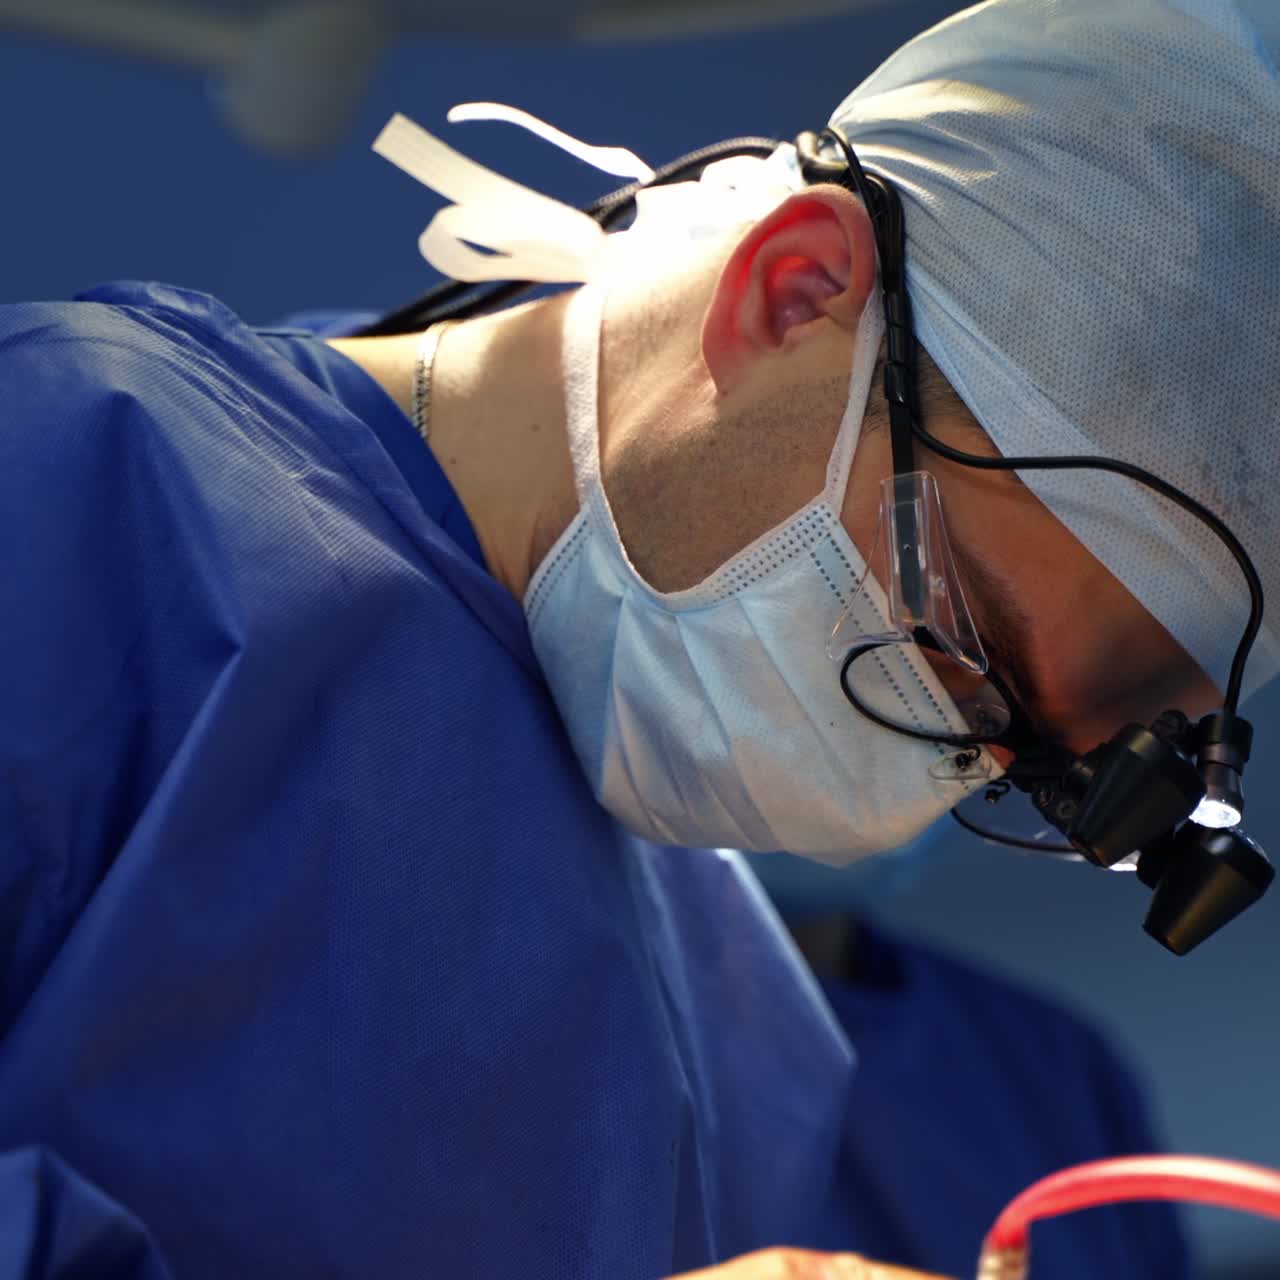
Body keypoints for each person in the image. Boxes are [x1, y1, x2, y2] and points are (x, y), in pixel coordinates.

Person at [0, 0, 1277, 1276]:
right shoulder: (70, 491)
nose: (924, 771)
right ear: (792, 288)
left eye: (1027, 769)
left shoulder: (734, 1022)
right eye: (960, 640)